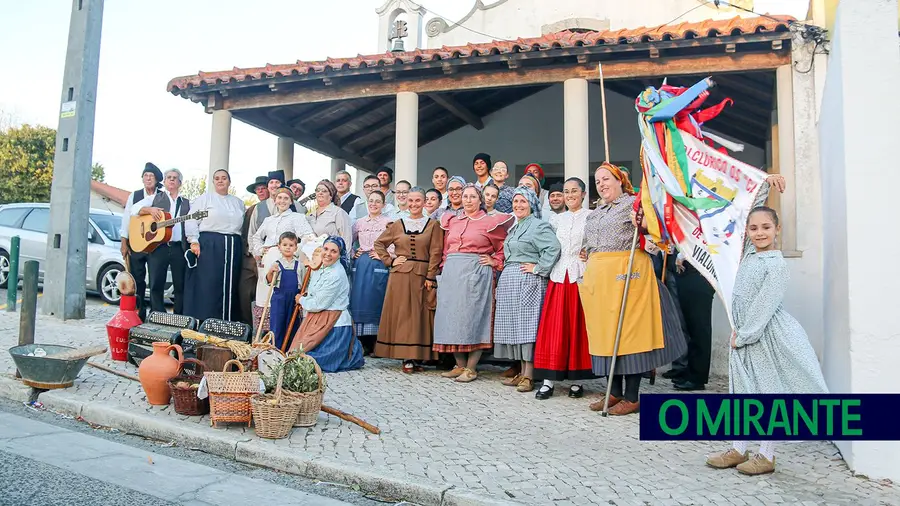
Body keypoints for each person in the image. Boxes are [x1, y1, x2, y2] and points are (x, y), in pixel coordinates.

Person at [706, 203, 826, 476]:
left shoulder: (776, 265)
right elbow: (746, 201)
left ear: (777, 229)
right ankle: (738, 448)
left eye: (766, 228)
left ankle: (766, 454)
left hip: (763, 335)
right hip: (744, 333)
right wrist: (764, 182)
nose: (760, 233)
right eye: (754, 228)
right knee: (741, 392)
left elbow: (764, 306)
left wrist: (745, 336)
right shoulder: (749, 253)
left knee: (765, 393)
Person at [578, 163, 686, 416]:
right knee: (605, 334)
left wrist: (643, 218)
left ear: (620, 180)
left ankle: (632, 396)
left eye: (606, 179)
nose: (602, 184)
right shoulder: (594, 213)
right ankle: (614, 392)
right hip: (599, 276)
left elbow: (655, 229)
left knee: (629, 333)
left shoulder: (633, 204)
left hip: (628, 272)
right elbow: (589, 243)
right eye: (598, 181)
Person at [433, 185, 513, 383]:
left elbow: (504, 246)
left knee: (474, 317)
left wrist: (495, 261)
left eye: (472, 197)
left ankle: (471, 367)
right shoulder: (452, 220)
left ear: (480, 200)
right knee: (450, 317)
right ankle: (459, 364)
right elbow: (446, 248)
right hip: (452, 271)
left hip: (475, 270)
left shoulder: (490, 222)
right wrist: (443, 268)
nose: (468, 200)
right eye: (465, 196)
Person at [493, 187, 561, 393]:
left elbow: (553, 248)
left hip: (528, 280)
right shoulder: (515, 227)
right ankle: (521, 371)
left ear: (532, 204)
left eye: (523, 201)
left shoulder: (539, 226)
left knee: (527, 325)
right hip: (511, 280)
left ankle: (530, 375)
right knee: (514, 326)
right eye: (516, 202)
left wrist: (539, 268)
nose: (518, 205)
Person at [533, 177, 595, 400]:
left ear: (583, 194)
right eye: (566, 191)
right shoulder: (556, 219)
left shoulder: (592, 217)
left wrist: (590, 252)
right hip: (559, 275)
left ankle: (577, 379)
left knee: (577, 326)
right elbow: (546, 246)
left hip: (580, 275)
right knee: (554, 327)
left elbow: (597, 243)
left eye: (574, 191)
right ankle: (548, 380)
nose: (569, 195)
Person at [374, 187, 444, 372]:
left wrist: (431, 275)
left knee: (420, 315)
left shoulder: (433, 224)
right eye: (410, 200)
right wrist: (391, 260)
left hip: (422, 275)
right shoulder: (397, 223)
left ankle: (418, 356)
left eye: (418, 201)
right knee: (404, 314)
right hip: (400, 276)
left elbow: (436, 252)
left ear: (424, 202)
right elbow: (379, 243)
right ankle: (405, 357)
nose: (414, 204)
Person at [289, 236, 365, 373]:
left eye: (334, 251)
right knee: (295, 354)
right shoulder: (321, 268)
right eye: (326, 249)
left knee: (304, 361)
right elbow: (314, 293)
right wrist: (306, 295)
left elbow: (318, 304)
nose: (328, 254)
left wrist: (300, 300)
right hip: (317, 318)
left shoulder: (336, 274)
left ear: (339, 254)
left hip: (332, 322)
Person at [249, 188, 314, 335]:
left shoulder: (297, 218)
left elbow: (307, 236)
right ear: (275, 200)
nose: (282, 201)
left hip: (287, 262)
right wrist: (260, 250)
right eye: (279, 198)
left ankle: (284, 336)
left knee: (282, 297)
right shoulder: (269, 220)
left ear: (291, 201)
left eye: (286, 198)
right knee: (265, 296)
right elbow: (256, 237)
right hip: (268, 262)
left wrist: (294, 251)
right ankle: (266, 335)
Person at [184, 169, 246, 322]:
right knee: (209, 284)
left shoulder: (238, 202)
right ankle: (206, 321)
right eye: (217, 178)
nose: (220, 181)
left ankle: (228, 322)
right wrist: (194, 241)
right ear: (213, 182)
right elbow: (191, 220)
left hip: (233, 246)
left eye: (224, 178)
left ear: (229, 181)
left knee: (231, 285)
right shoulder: (206, 199)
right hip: (211, 244)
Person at [132, 168, 190, 315]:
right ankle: (157, 314)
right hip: (158, 247)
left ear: (180, 183)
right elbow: (134, 209)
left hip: (178, 247)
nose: (171, 179)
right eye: (168, 177)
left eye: (174, 178)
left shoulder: (187, 203)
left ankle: (179, 316)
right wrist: (149, 210)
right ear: (164, 182)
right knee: (156, 283)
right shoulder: (155, 198)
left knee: (180, 284)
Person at [349, 190, 392, 354]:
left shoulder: (388, 222)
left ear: (383, 205)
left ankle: (376, 342)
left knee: (376, 299)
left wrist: (385, 255)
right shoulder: (359, 222)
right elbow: (348, 241)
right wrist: (354, 253)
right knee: (359, 299)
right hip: (361, 265)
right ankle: (361, 342)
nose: (373, 204)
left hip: (378, 264)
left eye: (377, 201)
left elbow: (394, 242)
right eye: (371, 201)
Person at [121, 162, 162, 321]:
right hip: (137, 242)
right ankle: (139, 312)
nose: (148, 179)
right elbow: (127, 217)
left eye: (151, 176)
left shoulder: (162, 195)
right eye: (145, 176)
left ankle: (156, 315)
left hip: (155, 244)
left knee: (155, 281)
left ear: (157, 179)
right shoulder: (135, 195)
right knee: (137, 279)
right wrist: (124, 241)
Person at [263, 232, 306, 350]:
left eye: (291, 245)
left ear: (296, 248)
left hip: (293, 299)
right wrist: (271, 272)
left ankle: (290, 351)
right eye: (285, 244)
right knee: (277, 325)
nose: (288, 247)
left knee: (292, 325)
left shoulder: (300, 265)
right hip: (279, 298)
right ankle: (275, 350)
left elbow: (304, 285)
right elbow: (269, 282)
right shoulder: (276, 264)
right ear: (279, 247)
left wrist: (302, 297)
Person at [238, 175, 271, 325]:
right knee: (244, 292)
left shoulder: (278, 206)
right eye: (258, 189)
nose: (260, 191)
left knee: (265, 294)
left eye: (263, 188)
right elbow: (246, 231)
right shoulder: (252, 209)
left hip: (269, 257)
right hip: (249, 256)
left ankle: (263, 328)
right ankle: (247, 325)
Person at [307, 179, 352, 249]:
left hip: (332, 256)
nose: (320, 193)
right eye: (318, 190)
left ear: (331, 196)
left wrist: (345, 259)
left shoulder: (338, 212)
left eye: (324, 191)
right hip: (313, 257)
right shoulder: (310, 216)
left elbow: (347, 240)